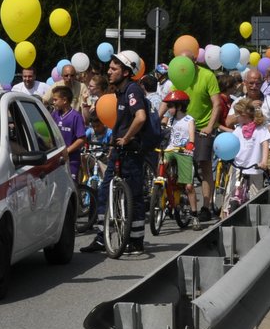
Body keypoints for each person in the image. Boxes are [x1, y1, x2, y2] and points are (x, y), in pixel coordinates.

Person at [81, 49, 152, 255]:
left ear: (127, 72)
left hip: (131, 151)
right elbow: (120, 123)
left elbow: (140, 117)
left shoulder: (132, 91)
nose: (109, 72)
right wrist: (114, 142)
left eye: (114, 69)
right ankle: (103, 237)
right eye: (110, 68)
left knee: (134, 196)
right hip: (119, 150)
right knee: (105, 191)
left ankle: (136, 241)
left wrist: (127, 137)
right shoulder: (120, 92)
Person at [180, 43, 222, 223]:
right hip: (184, 127)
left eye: (187, 62)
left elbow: (217, 103)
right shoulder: (179, 76)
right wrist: (159, 118)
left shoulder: (207, 76)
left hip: (202, 127)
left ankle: (206, 206)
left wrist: (210, 126)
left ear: (195, 61)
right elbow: (169, 101)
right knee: (179, 164)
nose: (183, 65)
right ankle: (183, 202)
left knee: (205, 166)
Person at [228, 98, 270, 208]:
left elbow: (265, 145)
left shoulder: (260, 129)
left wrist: (264, 161)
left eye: (238, 115)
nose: (237, 117)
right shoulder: (238, 129)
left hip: (255, 166)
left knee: (255, 194)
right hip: (239, 165)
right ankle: (226, 213)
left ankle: (255, 216)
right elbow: (232, 144)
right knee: (232, 190)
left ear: (245, 114)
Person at [161, 90, 194, 217]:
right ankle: (162, 189)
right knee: (161, 164)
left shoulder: (189, 120)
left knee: (189, 186)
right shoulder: (170, 119)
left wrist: (190, 145)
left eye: (170, 106)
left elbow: (191, 138)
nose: (168, 109)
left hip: (183, 151)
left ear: (179, 106)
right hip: (171, 149)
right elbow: (162, 126)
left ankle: (194, 214)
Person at [49, 85, 87, 181]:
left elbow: (81, 139)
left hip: (71, 160)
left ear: (65, 100)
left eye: (55, 100)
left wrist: (67, 151)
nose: (53, 103)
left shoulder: (76, 116)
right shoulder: (54, 115)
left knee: (71, 187)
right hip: (56, 159)